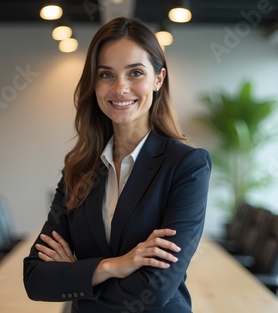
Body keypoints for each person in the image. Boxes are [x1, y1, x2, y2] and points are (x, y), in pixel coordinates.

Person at [23, 17, 211, 313]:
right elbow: (35, 278)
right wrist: (116, 265)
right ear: (93, 84)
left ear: (158, 79)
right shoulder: (78, 169)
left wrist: (79, 275)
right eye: (106, 75)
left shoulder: (186, 165)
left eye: (135, 72)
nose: (120, 88)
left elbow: (155, 290)